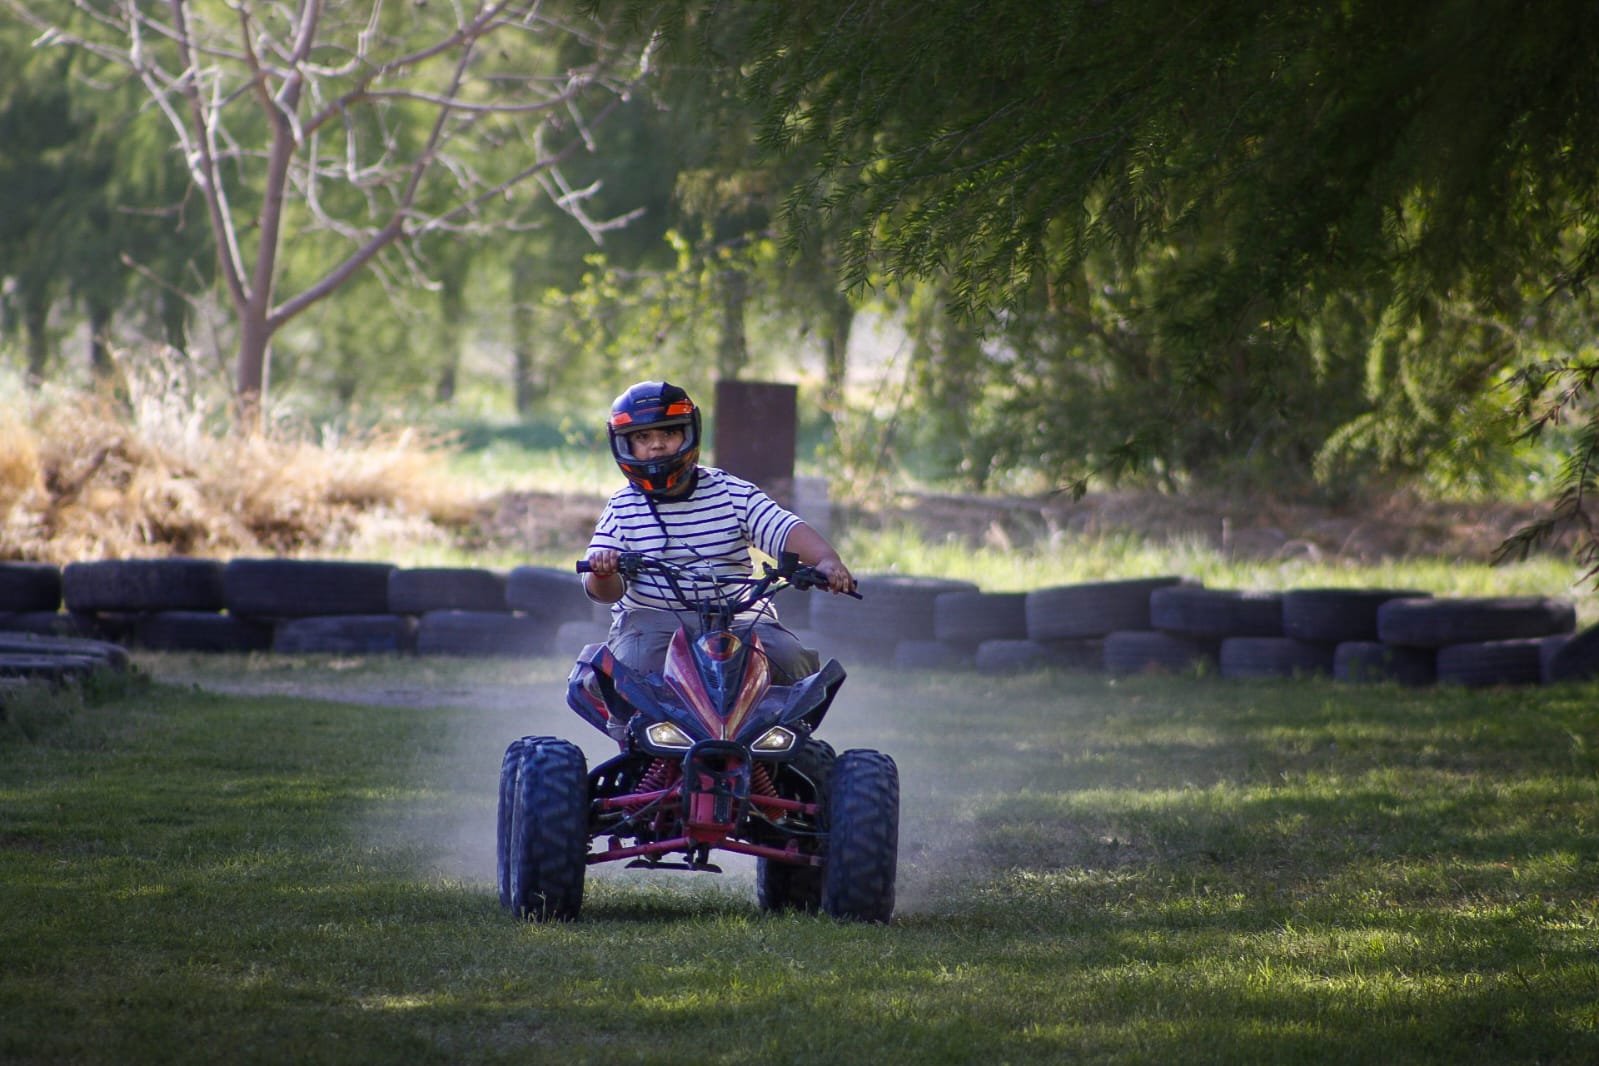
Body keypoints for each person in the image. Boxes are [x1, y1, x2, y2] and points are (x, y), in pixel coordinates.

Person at [582, 380, 855, 694]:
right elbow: (603, 592)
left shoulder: (731, 492)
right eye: (643, 437)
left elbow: (784, 529)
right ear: (624, 444)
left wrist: (827, 560)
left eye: (668, 433)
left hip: (739, 615)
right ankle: (630, 723)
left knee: (791, 661)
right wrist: (604, 571)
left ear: (690, 434)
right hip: (652, 621)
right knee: (634, 667)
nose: (657, 445)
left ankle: (777, 726)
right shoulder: (622, 507)